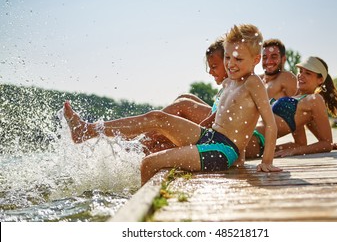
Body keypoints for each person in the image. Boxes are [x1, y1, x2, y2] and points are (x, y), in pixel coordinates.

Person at [63, 24, 282, 185]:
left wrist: (266, 161)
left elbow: (268, 123)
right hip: (212, 137)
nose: (230, 64)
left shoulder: (254, 83)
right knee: (157, 117)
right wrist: (240, 160)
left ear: (255, 60)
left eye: (238, 60)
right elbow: (234, 119)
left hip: (222, 149)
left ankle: (143, 219)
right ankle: (87, 130)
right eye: (228, 58)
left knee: (149, 163)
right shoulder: (231, 81)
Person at [248, 56, 337, 158]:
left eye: (308, 73)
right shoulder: (299, 101)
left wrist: (294, 151)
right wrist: (272, 149)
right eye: (300, 71)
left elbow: (326, 143)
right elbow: (300, 143)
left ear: (320, 80)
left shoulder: (315, 99)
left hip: (254, 139)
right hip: (250, 137)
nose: (301, 75)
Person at [141, 38, 228, 153]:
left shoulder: (239, 87)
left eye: (214, 67)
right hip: (216, 128)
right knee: (185, 97)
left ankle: (138, 144)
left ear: (228, 62)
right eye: (210, 67)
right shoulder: (229, 87)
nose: (210, 72)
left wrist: (187, 129)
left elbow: (210, 123)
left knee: (183, 105)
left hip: (230, 137)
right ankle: (139, 149)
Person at [245, 38, 297, 158]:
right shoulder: (257, 79)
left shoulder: (286, 78)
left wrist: (302, 144)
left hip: (257, 138)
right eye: (265, 57)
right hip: (245, 131)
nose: (268, 61)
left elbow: (298, 111)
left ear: (283, 59)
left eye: (274, 56)